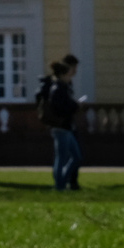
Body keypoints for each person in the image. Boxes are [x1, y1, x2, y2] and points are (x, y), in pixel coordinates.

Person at [37, 57, 83, 191]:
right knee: (62, 158)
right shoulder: (58, 89)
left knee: (76, 157)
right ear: (63, 74)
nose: (71, 76)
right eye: (69, 73)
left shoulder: (62, 87)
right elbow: (60, 108)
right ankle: (59, 185)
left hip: (65, 127)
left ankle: (61, 182)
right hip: (60, 128)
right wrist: (75, 105)